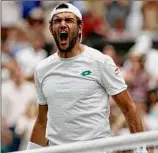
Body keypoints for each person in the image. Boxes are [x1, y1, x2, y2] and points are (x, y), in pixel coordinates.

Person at [27, 3, 148, 153]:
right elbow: (41, 121)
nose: (63, 24)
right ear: (51, 28)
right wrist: (30, 150)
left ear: (80, 28)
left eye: (69, 20)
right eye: (57, 21)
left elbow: (129, 108)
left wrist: (142, 149)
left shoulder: (100, 62)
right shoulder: (42, 69)